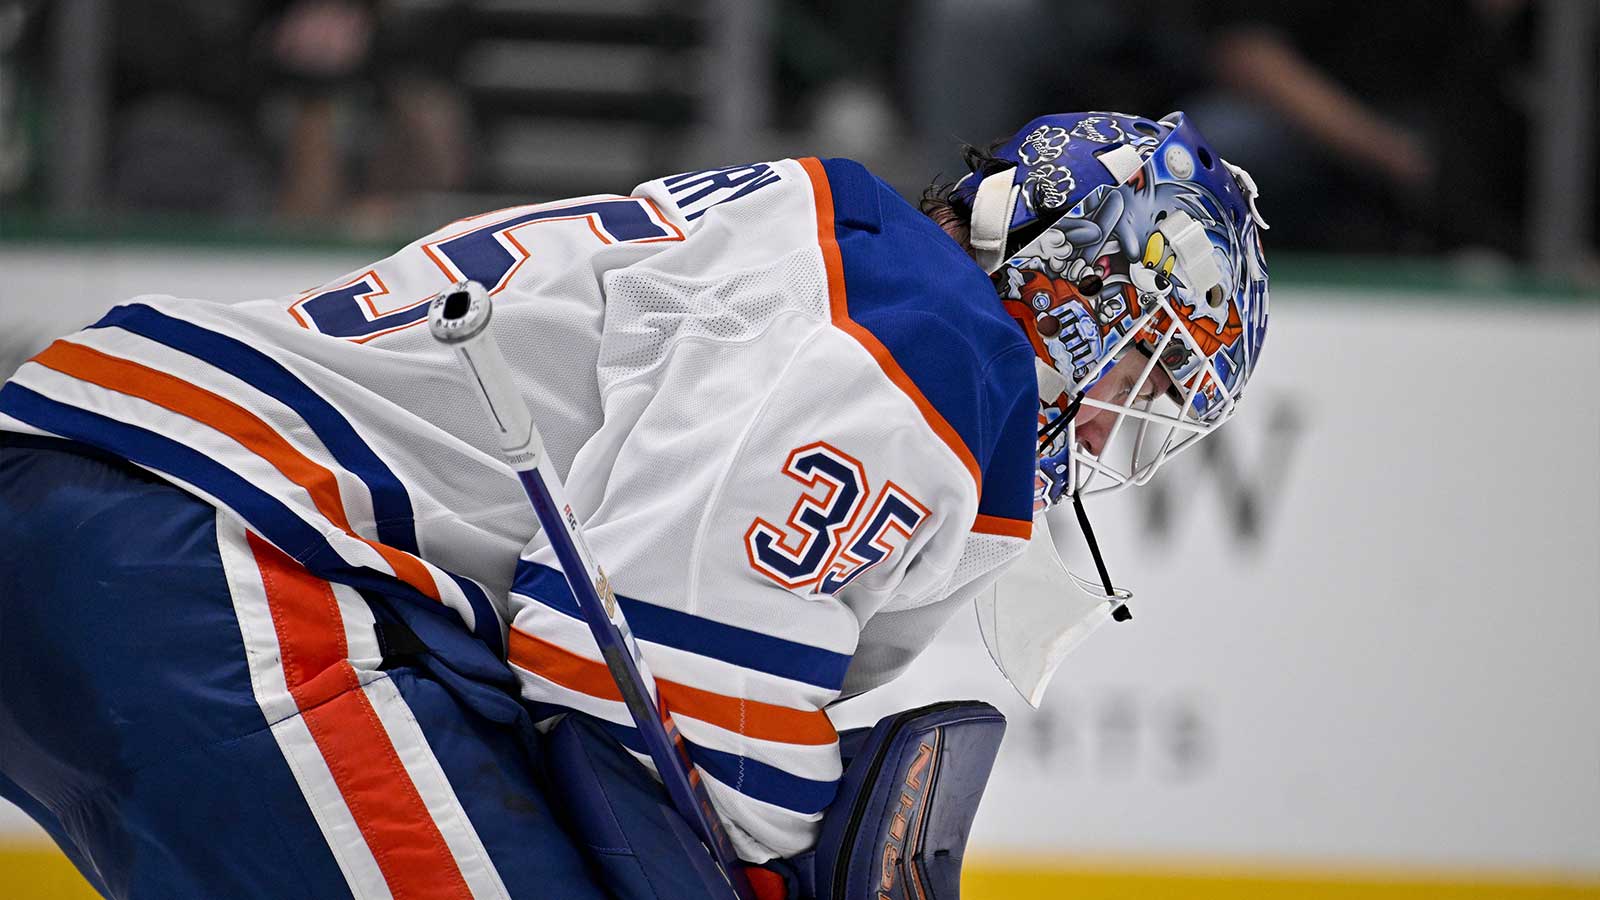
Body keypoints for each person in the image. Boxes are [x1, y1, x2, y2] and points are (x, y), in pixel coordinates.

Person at [0, 111, 1269, 899]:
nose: (1111, 426)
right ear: (1074, 284)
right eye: (1142, 368)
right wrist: (788, 847)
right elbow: (641, 665)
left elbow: (604, 652)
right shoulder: (937, 340)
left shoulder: (832, 242)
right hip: (210, 551)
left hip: (122, 516)